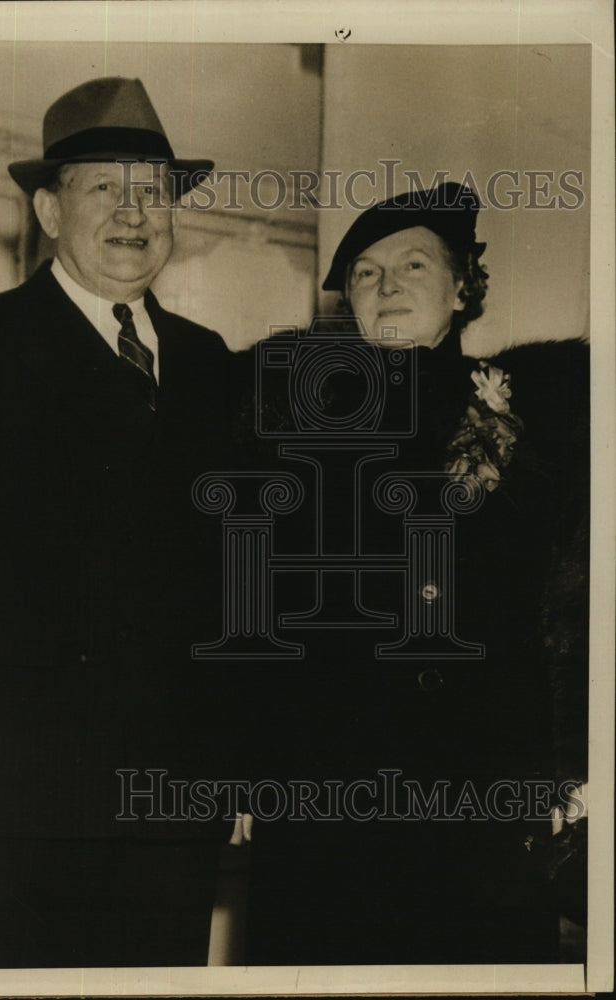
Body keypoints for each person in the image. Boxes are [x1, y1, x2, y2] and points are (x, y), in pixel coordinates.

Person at [0, 77, 236, 969]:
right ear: (48, 209)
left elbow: (239, 578)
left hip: (171, 818)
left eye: (153, 190)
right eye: (104, 186)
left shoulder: (211, 364)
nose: (133, 212)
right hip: (11, 818)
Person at [239, 182, 589, 964]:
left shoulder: (547, 416)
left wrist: (572, 770)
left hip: (484, 785)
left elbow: (573, 611)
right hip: (324, 779)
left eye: (413, 265)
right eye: (365, 273)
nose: (387, 284)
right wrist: (249, 766)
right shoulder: (291, 422)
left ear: (463, 289)